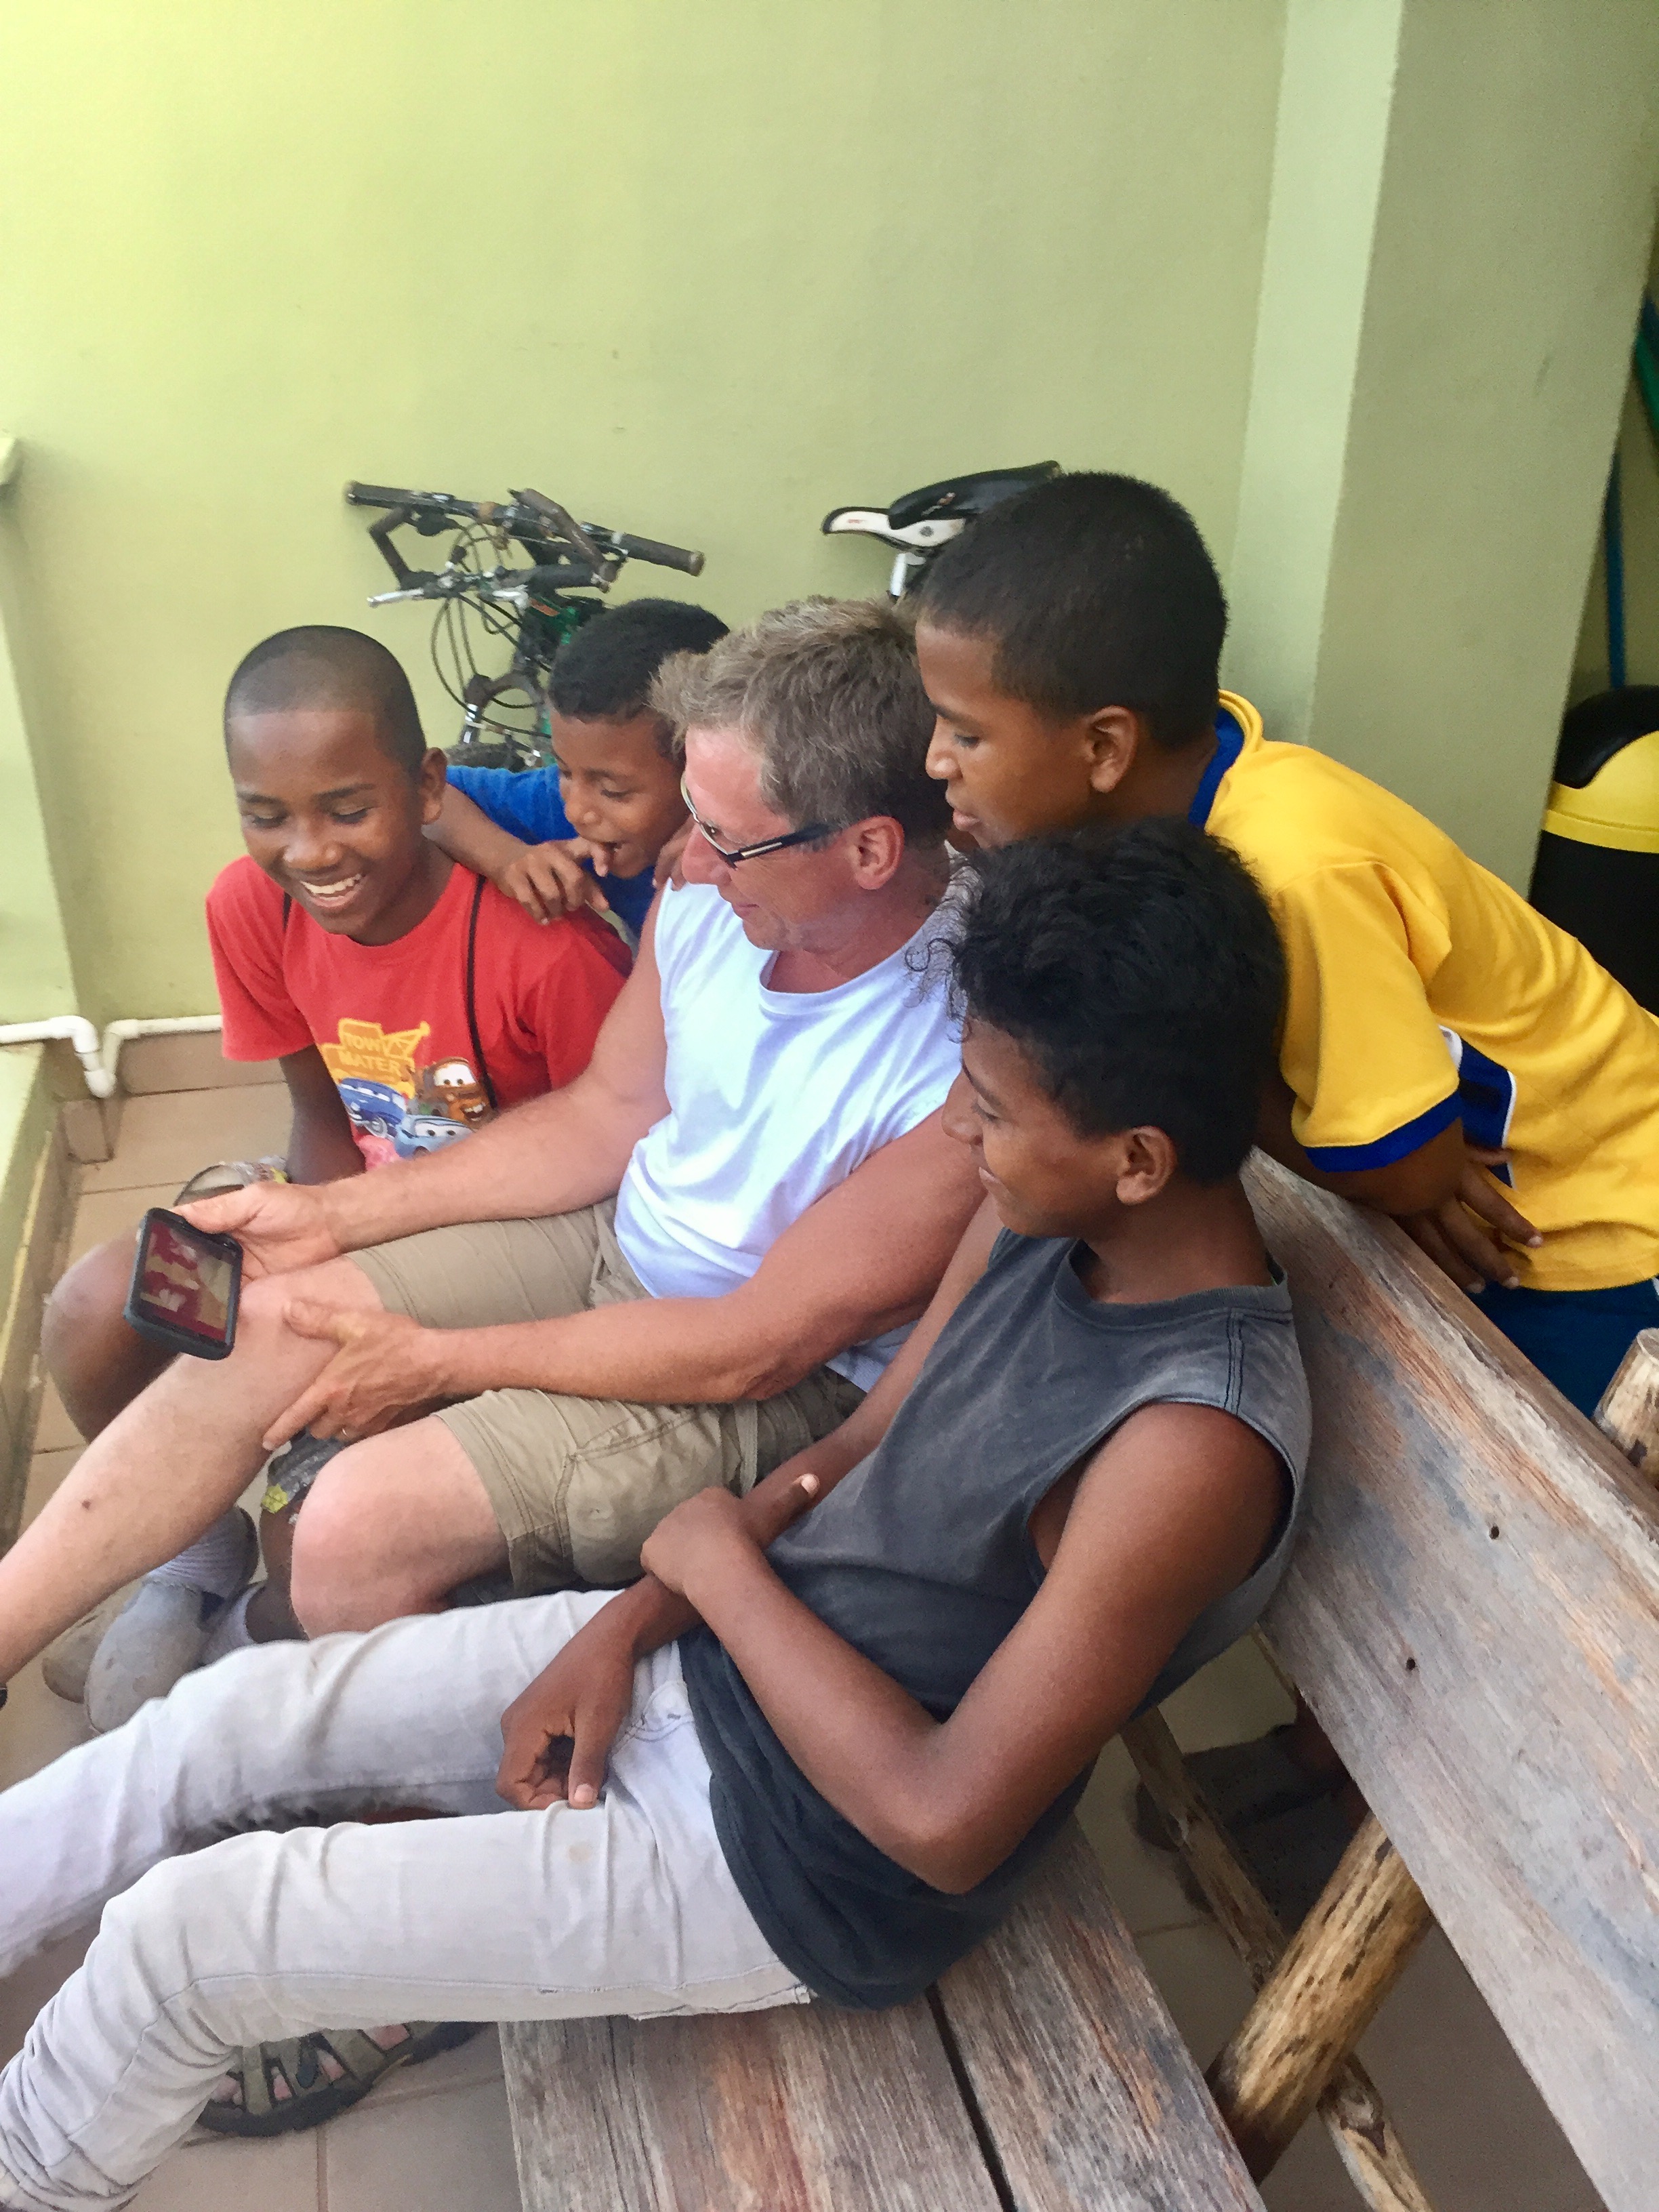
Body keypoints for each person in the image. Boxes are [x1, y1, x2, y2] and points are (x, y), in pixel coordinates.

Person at [0, 821, 1310, 2186]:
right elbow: (861, 1440)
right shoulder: (1052, 1219)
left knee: (187, 1942)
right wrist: (633, 1620)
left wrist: (715, 1570)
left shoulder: (1190, 1441)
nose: (955, 1130)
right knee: (209, 1726)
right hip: (716, 1661)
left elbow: (942, 1819)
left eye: (988, 1105)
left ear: (1138, 1157)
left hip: (796, 1861)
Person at [0, 596, 979, 1703]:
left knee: (354, 1528)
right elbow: (606, 1110)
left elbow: (750, 1348)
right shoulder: (715, 891)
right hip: (624, 1234)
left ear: (868, 848)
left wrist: (444, 1359)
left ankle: (349, 1740)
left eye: (721, 834)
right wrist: (329, 1213)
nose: (682, 860)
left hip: (773, 1377)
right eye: (693, 817)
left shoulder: (968, 1050)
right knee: (269, 1318)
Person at [910, 467, 1659, 1902]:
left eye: (965, 733)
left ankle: (1433, 1824)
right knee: (1382, 1497)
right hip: (1516, 1204)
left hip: (1592, 1227)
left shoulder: (1287, 861)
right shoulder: (1195, 797)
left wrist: (1224, 1089)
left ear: (1104, 744)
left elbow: (1409, 1162)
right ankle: (1330, 1770)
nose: (937, 762)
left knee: (1504, 1551)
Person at [38, 626, 631, 1727]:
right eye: (267, 814)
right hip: (330, 1201)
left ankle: (257, 1611)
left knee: (312, 1527)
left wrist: (354, 1297)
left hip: (494, 1250)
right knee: (98, 1308)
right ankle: (187, 1556)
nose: (308, 850)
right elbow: (322, 1112)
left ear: (426, 789)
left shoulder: (548, 952)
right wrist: (303, 1242)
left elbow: (599, 1182)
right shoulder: (250, 906)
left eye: (346, 808)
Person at [430, 597, 726, 945]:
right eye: (565, 772)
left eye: (614, 791)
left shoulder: (764, 851)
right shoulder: (565, 809)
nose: (576, 811)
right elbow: (428, 797)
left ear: (705, 766)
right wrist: (506, 858)